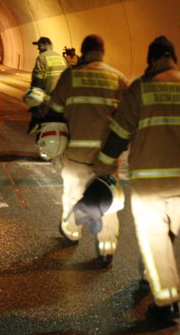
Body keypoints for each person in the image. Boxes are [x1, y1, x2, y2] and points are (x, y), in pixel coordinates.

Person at [93, 35, 180, 325]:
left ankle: (167, 304)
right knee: (165, 238)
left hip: (150, 182)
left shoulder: (140, 89)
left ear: (152, 59)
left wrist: (104, 165)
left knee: (155, 238)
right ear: (173, 57)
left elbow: (119, 133)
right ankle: (149, 274)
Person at [44, 34, 128, 267]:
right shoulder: (118, 78)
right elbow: (127, 120)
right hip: (106, 157)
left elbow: (54, 113)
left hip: (76, 153)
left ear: (82, 51)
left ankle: (71, 233)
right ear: (102, 51)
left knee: (73, 196)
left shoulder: (70, 76)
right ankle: (106, 250)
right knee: (108, 202)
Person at [28, 36, 67, 131]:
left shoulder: (42, 57)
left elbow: (37, 81)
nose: (37, 48)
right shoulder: (61, 58)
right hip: (60, 99)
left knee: (43, 126)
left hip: (47, 99)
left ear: (45, 45)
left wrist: (34, 102)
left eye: (39, 45)